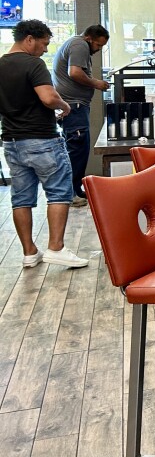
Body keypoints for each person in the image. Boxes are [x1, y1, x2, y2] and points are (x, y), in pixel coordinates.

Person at [0, 19, 88, 269]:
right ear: (29, 39)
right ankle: (56, 248)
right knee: (59, 192)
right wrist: (65, 105)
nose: (46, 50)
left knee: (21, 199)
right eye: (44, 43)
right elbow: (48, 97)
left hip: (12, 141)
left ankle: (29, 252)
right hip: (41, 139)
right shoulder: (33, 63)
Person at [52, 24, 109, 207]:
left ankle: (75, 188)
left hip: (74, 105)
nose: (98, 50)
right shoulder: (80, 45)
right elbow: (75, 72)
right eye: (98, 46)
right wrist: (96, 83)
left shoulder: (75, 43)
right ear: (89, 39)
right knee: (77, 150)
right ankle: (69, 193)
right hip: (74, 106)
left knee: (77, 149)